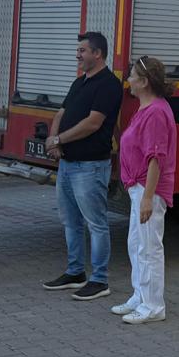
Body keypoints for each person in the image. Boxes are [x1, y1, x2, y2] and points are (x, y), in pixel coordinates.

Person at [41, 32, 124, 301]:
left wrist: (59, 139)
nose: (78, 55)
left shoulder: (109, 85)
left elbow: (93, 123)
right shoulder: (80, 83)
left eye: (82, 50)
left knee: (96, 223)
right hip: (67, 164)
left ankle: (99, 279)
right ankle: (75, 272)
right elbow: (61, 113)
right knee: (71, 222)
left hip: (90, 166)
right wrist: (53, 141)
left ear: (97, 54)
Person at [111, 55, 177, 324]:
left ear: (144, 82)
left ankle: (153, 305)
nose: (128, 80)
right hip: (138, 186)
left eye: (132, 76)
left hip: (148, 188)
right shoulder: (146, 108)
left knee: (149, 247)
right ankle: (140, 296)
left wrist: (148, 197)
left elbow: (156, 157)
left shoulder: (156, 113)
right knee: (137, 244)